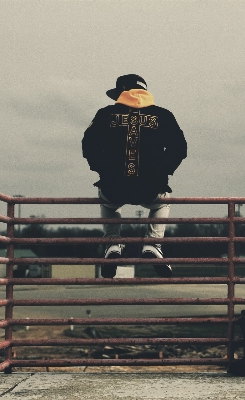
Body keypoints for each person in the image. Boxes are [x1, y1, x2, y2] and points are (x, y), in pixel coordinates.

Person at [82, 74, 187, 278]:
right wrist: (162, 170)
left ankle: (112, 244)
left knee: (109, 204)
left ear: (122, 92)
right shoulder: (164, 115)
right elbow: (180, 148)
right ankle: (153, 245)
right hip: (151, 186)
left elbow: (88, 145)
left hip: (114, 185)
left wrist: (102, 169)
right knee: (162, 203)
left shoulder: (105, 114)